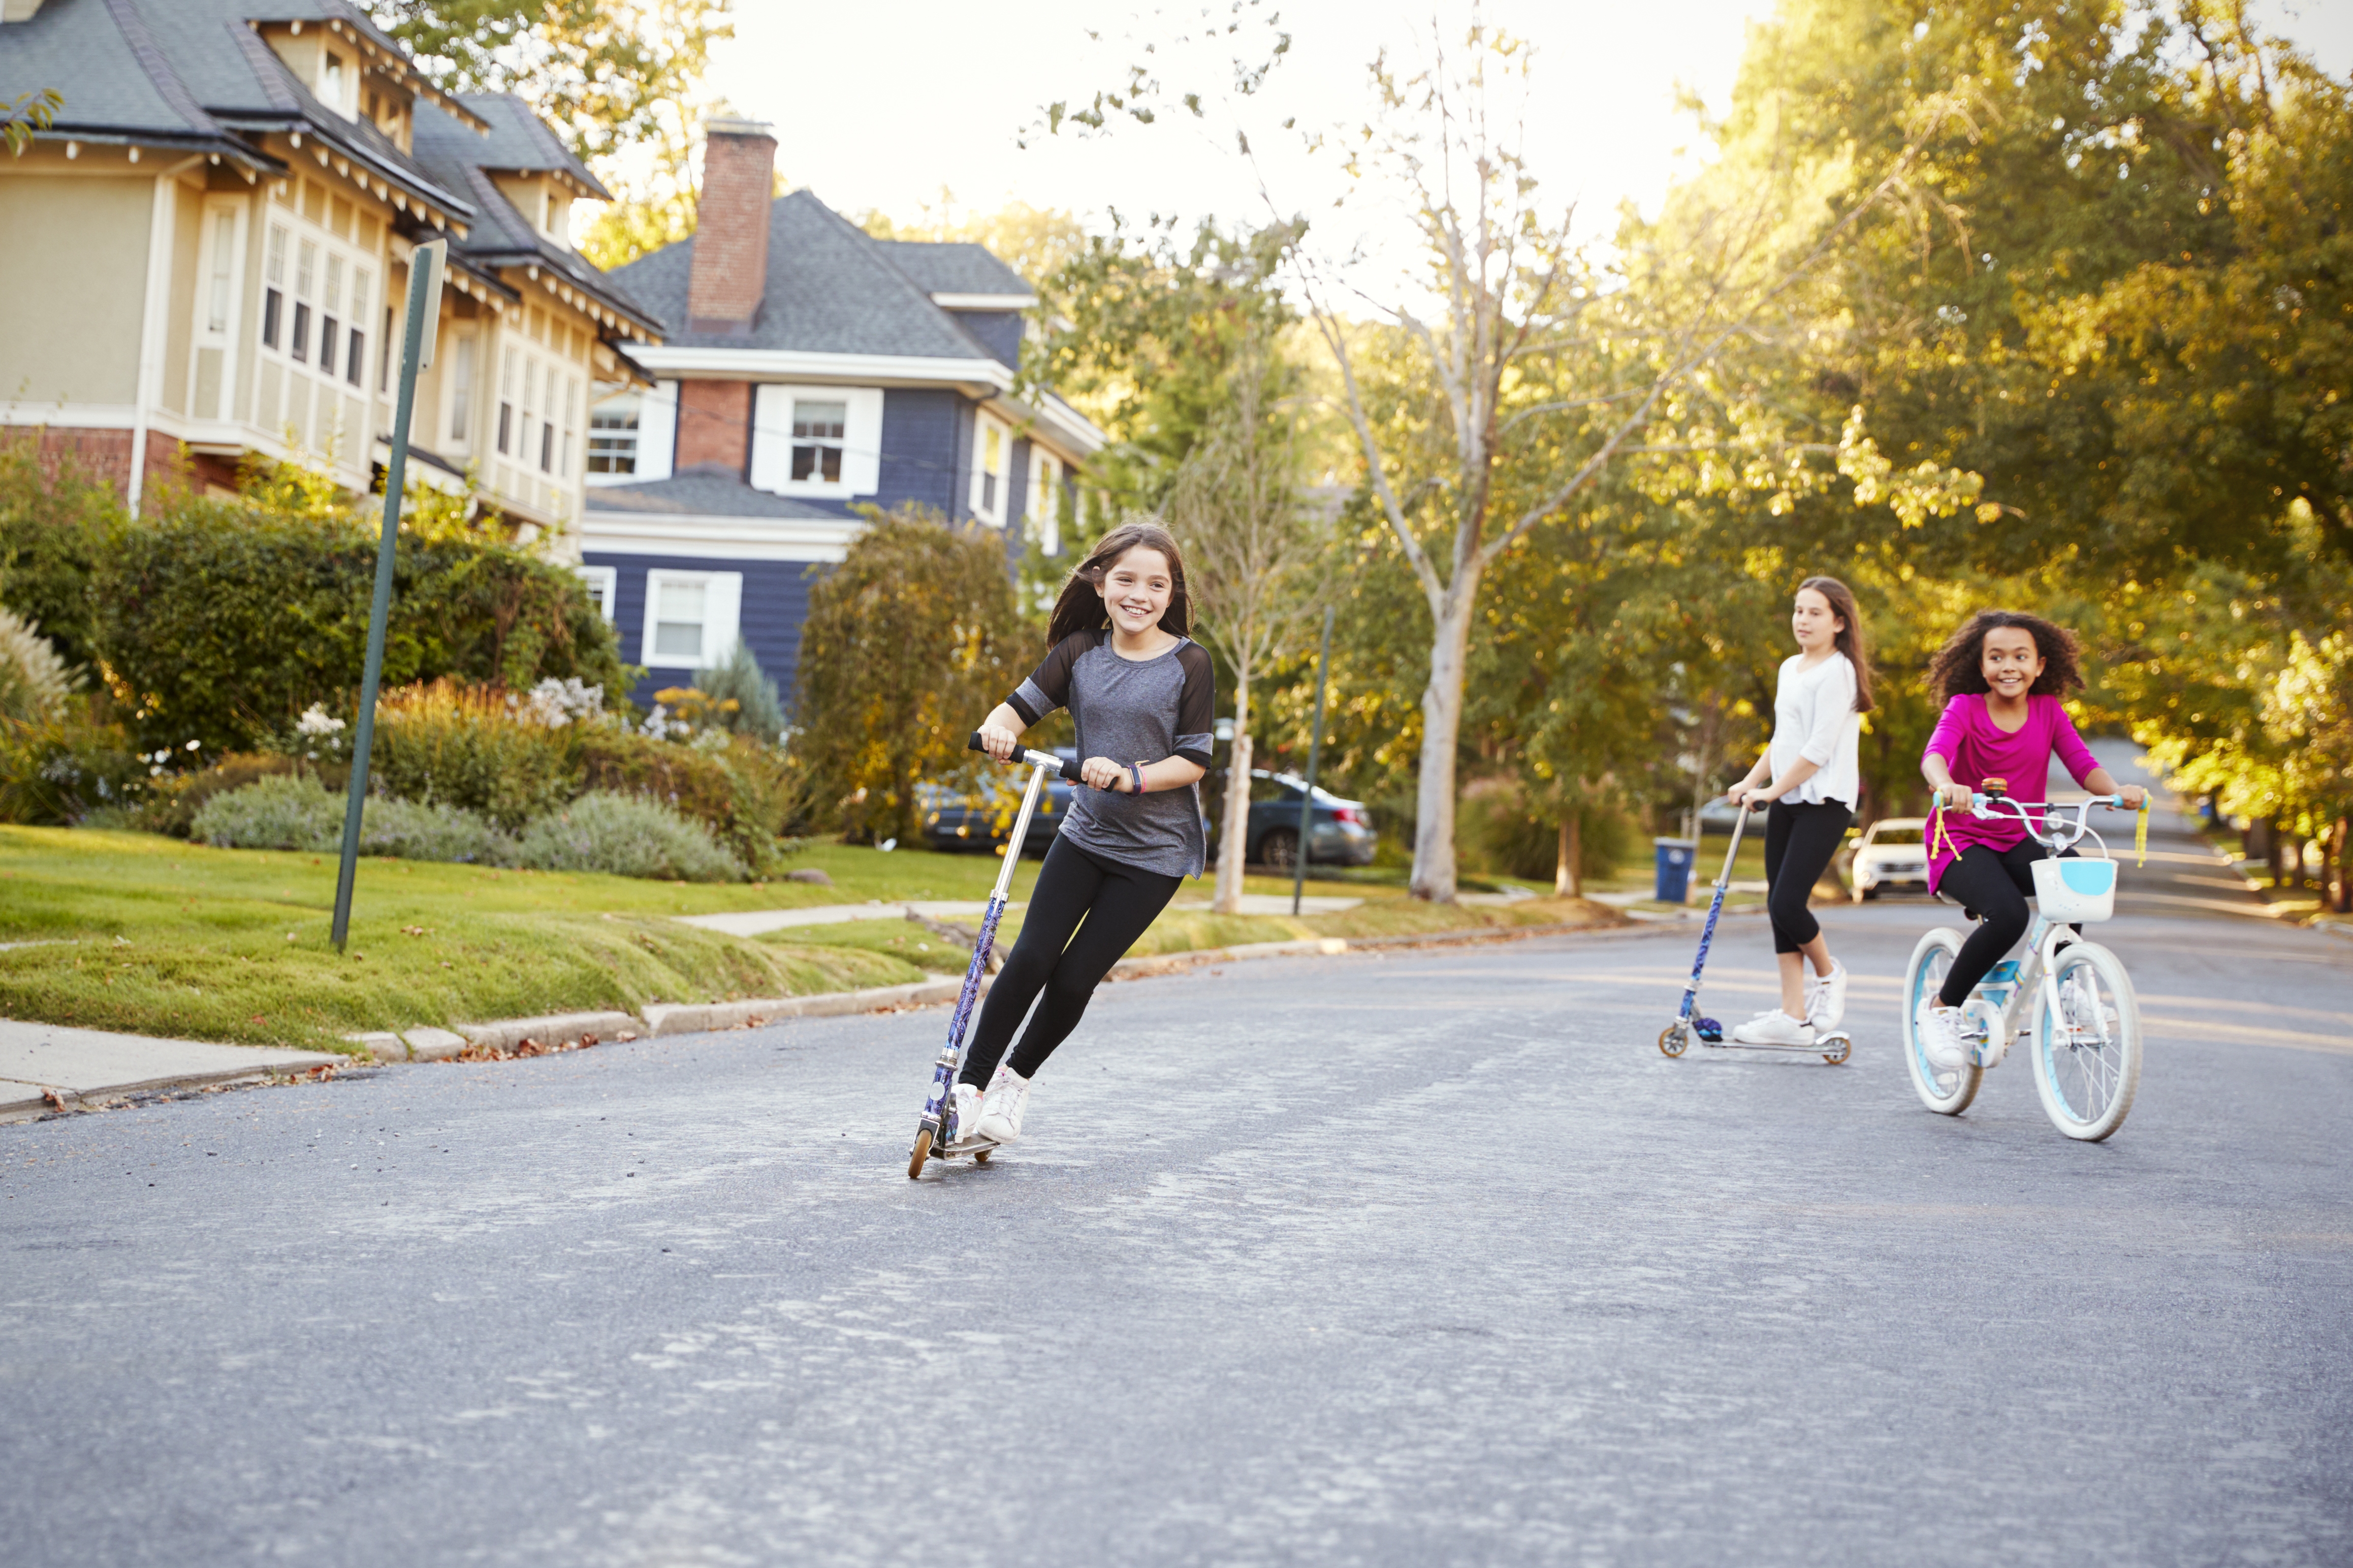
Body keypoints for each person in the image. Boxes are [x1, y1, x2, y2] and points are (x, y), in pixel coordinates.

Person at [957, 521, 1216, 1146]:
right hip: (1087, 834)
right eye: (1126, 579)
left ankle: (1013, 1089)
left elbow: (1194, 761)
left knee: (1074, 978)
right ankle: (965, 1093)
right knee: (1031, 959)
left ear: (1171, 593)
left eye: (1156, 584)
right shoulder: (1079, 652)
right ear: (1100, 583)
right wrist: (1000, 730)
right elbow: (1015, 709)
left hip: (1154, 854)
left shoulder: (1190, 664)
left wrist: (1130, 775)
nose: (1140, 595)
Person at [1914, 610, 2148, 1068]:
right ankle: (1941, 1010)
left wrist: (2118, 792)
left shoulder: (2048, 712)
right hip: (1960, 839)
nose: (2009, 666)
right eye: (1996, 657)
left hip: (2015, 836)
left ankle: (2069, 985)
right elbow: (1935, 754)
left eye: (2021, 657)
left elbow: (2083, 766)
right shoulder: (1965, 707)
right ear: (1981, 666)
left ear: (2040, 665)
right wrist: (1946, 785)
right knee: (2009, 915)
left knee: (2073, 872)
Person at [1724, 577, 1873, 1046]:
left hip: (1824, 802)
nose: (1802, 620)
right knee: (1777, 908)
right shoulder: (1791, 667)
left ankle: (1830, 975)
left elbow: (1818, 749)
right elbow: (1783, 739)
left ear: (1839, 622)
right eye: (1798, 610)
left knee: (1788, 901)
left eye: (1814, 612)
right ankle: (1793, 1016)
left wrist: (1770, 791)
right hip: (1787, 800)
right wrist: (1752, 781)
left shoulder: (1840, 671)